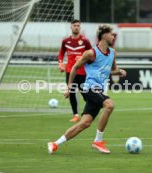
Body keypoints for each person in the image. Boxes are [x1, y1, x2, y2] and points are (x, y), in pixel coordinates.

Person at [48, 24, 126, 154]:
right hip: (89, 88)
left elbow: (110, 71)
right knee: (109, 105)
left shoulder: (113, 53)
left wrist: (119, 71)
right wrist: (69, 87)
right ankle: (98, 141)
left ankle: (55, 143)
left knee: (85, 123)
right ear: (104, 35)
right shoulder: (91, 53)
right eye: (111, 34)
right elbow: (74, 68)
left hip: (99, 90)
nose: (113, 36)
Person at [58, 19, 92, 122]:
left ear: (80, 27)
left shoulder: (85, 41)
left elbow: (91, 54)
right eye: (74, 25)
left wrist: (83, 58)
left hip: (82, 71)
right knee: (71, 93)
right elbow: (61, 53)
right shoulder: (65, 41)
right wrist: (60, 63)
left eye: (78, 25)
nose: (76, 27)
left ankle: (89, 112)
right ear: (71, 27)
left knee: (85, 94)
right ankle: (76, 115)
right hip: (70, 71)